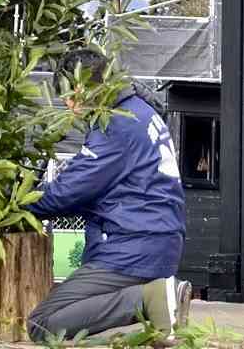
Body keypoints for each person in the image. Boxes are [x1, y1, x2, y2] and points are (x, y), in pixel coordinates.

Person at [26, 48, 191, 342]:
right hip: (155, 241)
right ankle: (155, 312)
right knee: (74, 312)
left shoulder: (114, 125)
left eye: (66, 93)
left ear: (81, 87)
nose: (65, 103)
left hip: (132, 247)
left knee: (42, 324)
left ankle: (152, 298)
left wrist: (18, 207)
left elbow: (68, 192)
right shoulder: (141, 111)